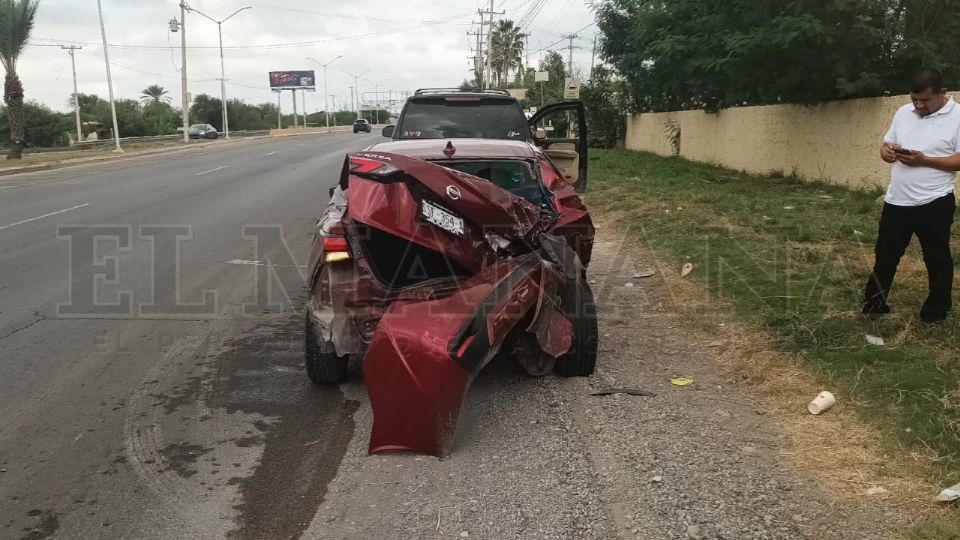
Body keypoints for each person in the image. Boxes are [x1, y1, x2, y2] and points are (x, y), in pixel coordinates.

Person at [864, 67, 959, 323]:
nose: (918, 105)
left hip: (934, 201)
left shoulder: (958, 117)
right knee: (885, 254)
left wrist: (924, 160)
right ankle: (874, 305)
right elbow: (886, 145)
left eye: (925, 100)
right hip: (897, 200)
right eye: (914, 99)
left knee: (936, 257)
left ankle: (936, 312)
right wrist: (887, 153)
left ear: (942, 93)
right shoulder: (903, 112)